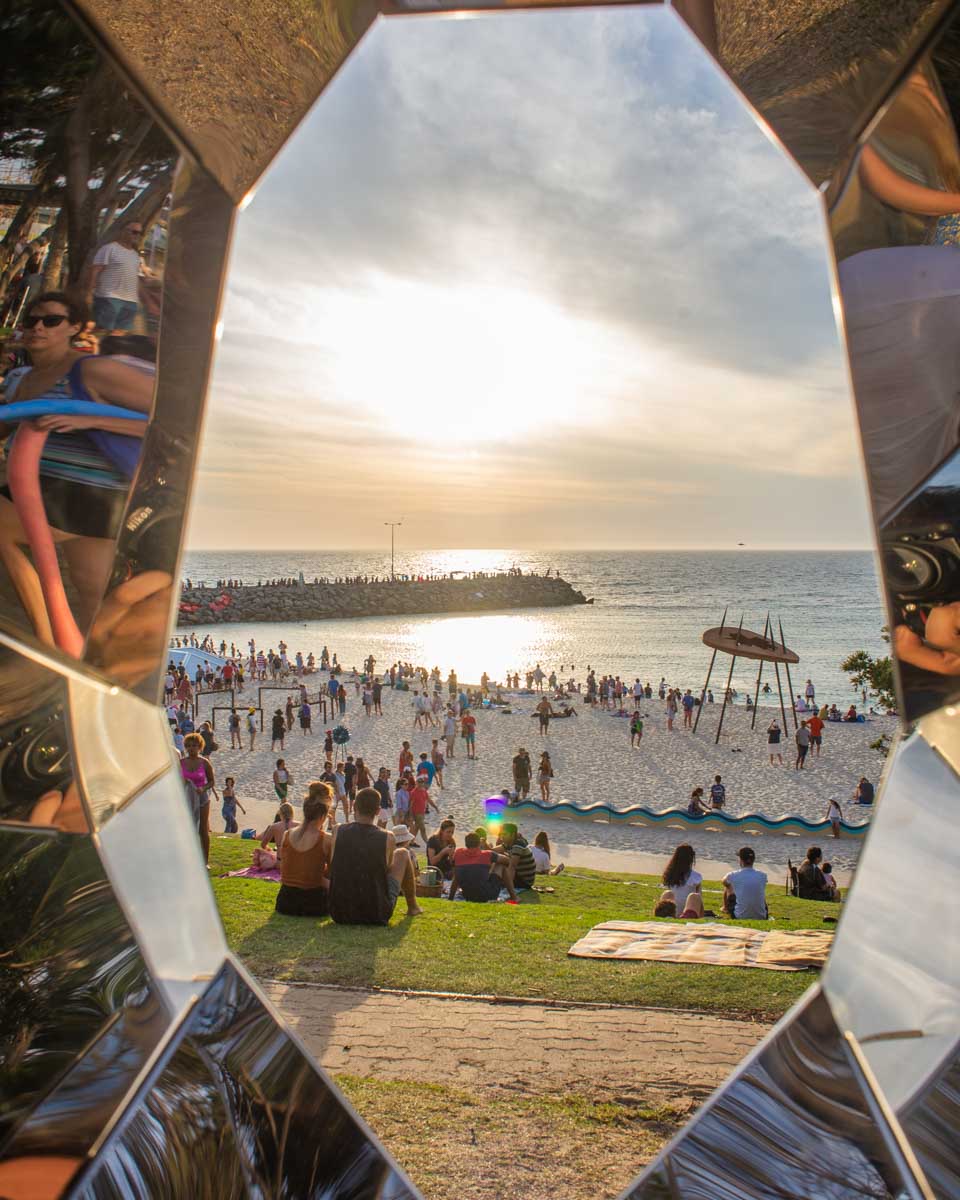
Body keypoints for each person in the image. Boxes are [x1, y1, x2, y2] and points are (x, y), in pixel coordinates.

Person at [0, 292, 153, 644]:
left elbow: (175, 418)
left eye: (51, 320)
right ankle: (91, 670)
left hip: (86, 492)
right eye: (31, 321)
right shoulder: (25, 379)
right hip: (53, 490)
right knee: (92, 596)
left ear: (75, 328)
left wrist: (88, 419)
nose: (38, 327)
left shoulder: (92, 369)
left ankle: (49, 648)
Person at [328, 787, 422, 924]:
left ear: (354, 807)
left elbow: (333, 863)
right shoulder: (387, 837)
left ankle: (413, 907)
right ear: (378, 811)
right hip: (376, 913)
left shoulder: (338, 830)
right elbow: (386, 869)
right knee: (402, 853)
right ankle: (413, 907)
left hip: (339, 911)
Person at [275, 788, 332, 917]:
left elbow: (285, 869)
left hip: (285, 902)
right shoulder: (326, 839)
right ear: (323, 816)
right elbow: (331, 873)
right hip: (313, 904)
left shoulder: (287, 834)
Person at [87, 220, 146, 330]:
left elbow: (136, 278)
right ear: (122, 231)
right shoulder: (109, 248)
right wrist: (89, 294)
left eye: (140, 233)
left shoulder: (135, 255)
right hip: (109, 299)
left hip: (131, 302)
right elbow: (95, 271)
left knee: (120, 339)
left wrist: (145, 301)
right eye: (134, 232)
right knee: (103, 334)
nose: (137, 235)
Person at [179, 732, 217, 862]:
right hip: (186, 798)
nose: (191, 748)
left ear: (200, 746)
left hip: (202, 797)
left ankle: (205, 860)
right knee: (186, 828)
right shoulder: (181, 762)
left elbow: (212, 782)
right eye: (188, 746)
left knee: (203, 830)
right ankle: (187, 858)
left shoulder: (204, 763)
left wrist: (203, 788)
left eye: (194, 745)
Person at [449, 831, 518, 902]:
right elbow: (507, 861)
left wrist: (450, 898)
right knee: (501, 865)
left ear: (466, 844)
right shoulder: (487, 854)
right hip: (488, 896)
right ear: (479, 843)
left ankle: (451, 898)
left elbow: (456, 876)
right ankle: (514, 897)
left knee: (460, 871)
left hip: (468, 896)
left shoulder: (458, 853)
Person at [722, 846, 768, 919]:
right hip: (762, 916)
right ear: (753, 860)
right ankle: (759, 910)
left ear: (741, 860)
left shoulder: (733, 875)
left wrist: (730, 887)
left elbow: (723, 881)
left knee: (728, 886)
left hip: (740, 916)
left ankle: (725, 908)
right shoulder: (763, 875)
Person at [662, 844, 702, 914]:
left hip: (670, 912)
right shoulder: (696, 877)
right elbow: (699, 899)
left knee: (667, 893)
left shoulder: (669, 874)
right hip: (687, 913)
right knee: (696, 897)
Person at [257, 803, 297, 869]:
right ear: (292, 813)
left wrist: (269, 849)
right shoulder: (299, 825)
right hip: (295, 864)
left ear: (280, 814)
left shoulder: (274, 826)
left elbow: (263, 844)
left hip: (280, 864)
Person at [497, 823, 537, 890]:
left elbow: (512, 866)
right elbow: (492, 851)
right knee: (497, 859)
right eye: (501, 834)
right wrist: (484, 844)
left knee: (500, 863)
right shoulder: (509, 843)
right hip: (519, 877)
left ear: (512, 835)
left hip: (524, 882)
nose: (502, 837)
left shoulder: (518, 845)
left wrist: (508, 886)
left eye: (504, 834)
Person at [407, 776, 438, 845]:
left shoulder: (424, 791)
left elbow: (429, 800)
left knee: (416, 828)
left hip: (422, 813)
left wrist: (435, 807)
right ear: (416, 783)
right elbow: (410, 805)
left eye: (422, 782)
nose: (421, 784)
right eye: (419, 782)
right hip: (416, 813)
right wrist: (410, 815)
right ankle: (427, 843)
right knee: (422, 828)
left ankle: (410, 841)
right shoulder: (413, 792)